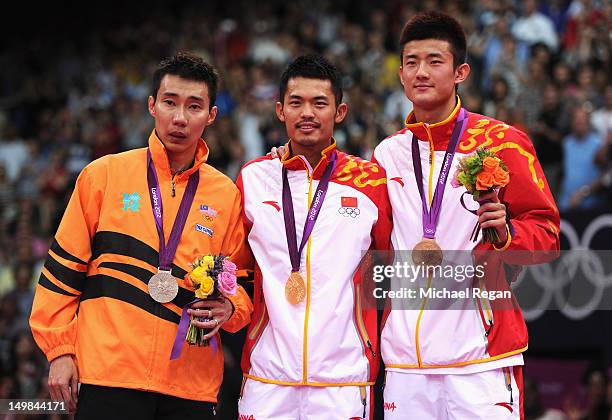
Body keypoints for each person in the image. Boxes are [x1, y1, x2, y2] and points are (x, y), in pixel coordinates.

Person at [29, 52, 253, 420]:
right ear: (152, 105)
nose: (180, 118)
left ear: (212, 115)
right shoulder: (103, 176)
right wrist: (60, 351)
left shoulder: (226, 195)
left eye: (194, 106)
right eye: (170, 102)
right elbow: (61, 275)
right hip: (108, 376)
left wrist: (230, 306)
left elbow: (244, 286)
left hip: (190, 386)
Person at [372, 12, 560, 419]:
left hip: (479, 358)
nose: (421, 72)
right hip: (406, 366)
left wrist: (508, 234)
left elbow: (547, 236)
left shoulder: (501, 142)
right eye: (411, 62)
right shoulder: (387, 154)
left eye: (434, 61)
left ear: (460, 72)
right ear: (401, 74)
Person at [237, 54, 392, 419]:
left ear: (339, 112)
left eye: (319, 103)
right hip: (267, 376)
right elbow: (236, 270)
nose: (307, 112)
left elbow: (389, 270)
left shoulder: (371, 182)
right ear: (280, 110)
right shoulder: (253, 179)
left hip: (344, 378)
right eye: (296, 103)